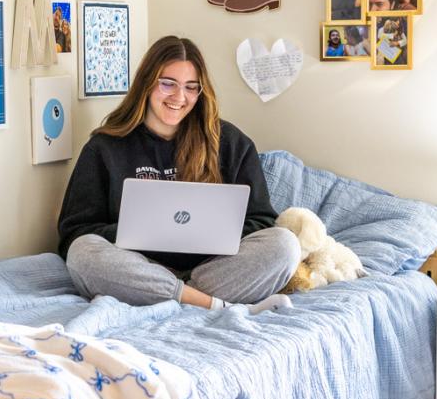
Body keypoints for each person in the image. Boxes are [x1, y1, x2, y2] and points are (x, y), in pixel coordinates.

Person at [57, 35, 301, 311]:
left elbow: (262, 221)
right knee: (83, 253)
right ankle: (210, 304)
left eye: (191, 87)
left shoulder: (230, 143)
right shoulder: (104, 147)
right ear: (146, 84)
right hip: (138, 266)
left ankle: (172, 294)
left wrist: (211, 233)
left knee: (285, 245)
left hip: (213, 269)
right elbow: (74, 233)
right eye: (167, 84)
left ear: (200, 92)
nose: (179, 97)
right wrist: (137, 232)